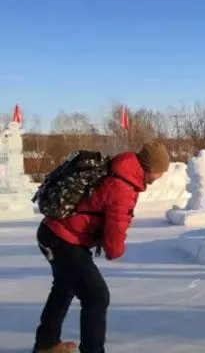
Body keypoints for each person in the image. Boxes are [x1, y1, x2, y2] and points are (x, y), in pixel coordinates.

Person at [33, 142, 170, 353]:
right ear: (151, 169)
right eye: (161, 171)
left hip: (52, 232)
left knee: (64, 287)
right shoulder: (123, 188)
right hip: (63, 239)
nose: (161, 176)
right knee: (97, 297)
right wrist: (117, 250)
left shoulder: (120, 168)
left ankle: (46, 344)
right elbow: (114, 244)